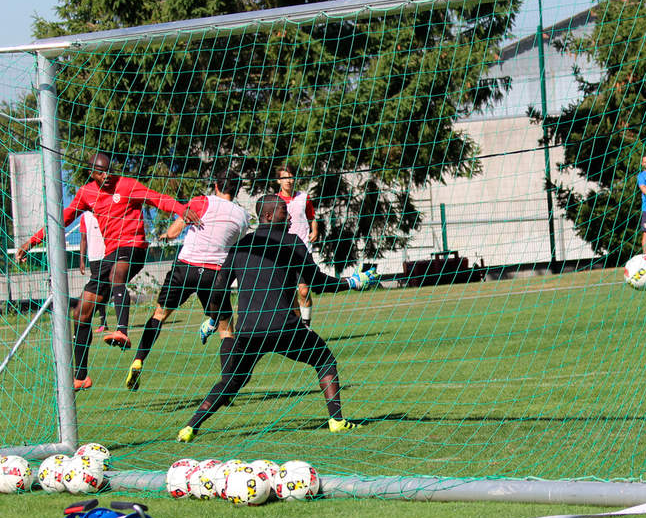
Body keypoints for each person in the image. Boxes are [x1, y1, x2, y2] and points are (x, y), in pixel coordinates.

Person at [175, 193, 377, 442]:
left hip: (248, 332)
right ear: (268, 215)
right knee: (324, 360)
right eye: (284, 210)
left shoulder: (241, 245)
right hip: (284, 327)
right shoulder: (292, 242)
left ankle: (190, 427)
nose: (290, 215)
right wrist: (353, 281)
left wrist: (215, 319)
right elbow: (319, 284)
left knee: (232, 380)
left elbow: (218, 288)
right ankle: (336, 420)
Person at [15, 152, 199, 391]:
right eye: (101, 172)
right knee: (82, 311)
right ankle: (81, 376)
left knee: (116, 273)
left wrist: (181, 210)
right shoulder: (86, 193)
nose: (107, 175)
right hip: (109, 255)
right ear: (92, 173)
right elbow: (65, 217)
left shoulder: (127, 185)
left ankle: (122, 330)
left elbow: (158, 199)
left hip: (134, 247)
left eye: (109, 170)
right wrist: (32, 241)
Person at [125, 173, 251, 391]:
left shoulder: (202, 202)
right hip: (215, 274)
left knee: (159, 315)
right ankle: (228, 384)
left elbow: (174, 232)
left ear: (216, 185)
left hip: (186, 268)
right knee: (226, 329)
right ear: (238, 190)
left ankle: (138, 360)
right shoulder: (243, 217)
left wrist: (166, 235)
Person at [275, 164, 319, 328]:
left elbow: (312, 217)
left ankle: (307, 326)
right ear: (279, 181)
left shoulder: (304, 197)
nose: (288, 181)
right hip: (283, 252)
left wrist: (314, 230)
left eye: (291, 177)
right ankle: (299, 327)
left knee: (304, 291)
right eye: (284, 178)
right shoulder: (275, 200)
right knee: (289, 295)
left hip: (303, 250)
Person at [78, 211, 109, 334]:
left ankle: (122, 326)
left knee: (115, 286)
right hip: (94, 258)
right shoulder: (85, 216)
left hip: (108, 255)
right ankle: (103, 322)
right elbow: (83, 239)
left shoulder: (105, 209)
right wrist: (81, 260)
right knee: (98, 291)